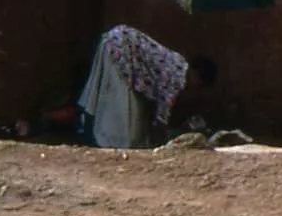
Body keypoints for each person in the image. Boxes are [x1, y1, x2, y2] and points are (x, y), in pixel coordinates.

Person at [78, 25, 216, 149]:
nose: (196, 89)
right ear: (196, 75)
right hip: (122, 48)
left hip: (116, 39)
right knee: (121, 110)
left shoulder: (178, 64)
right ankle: (110, 142)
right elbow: (162, 117)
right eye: (200, 85)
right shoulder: (178, 79)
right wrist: (162, 143)